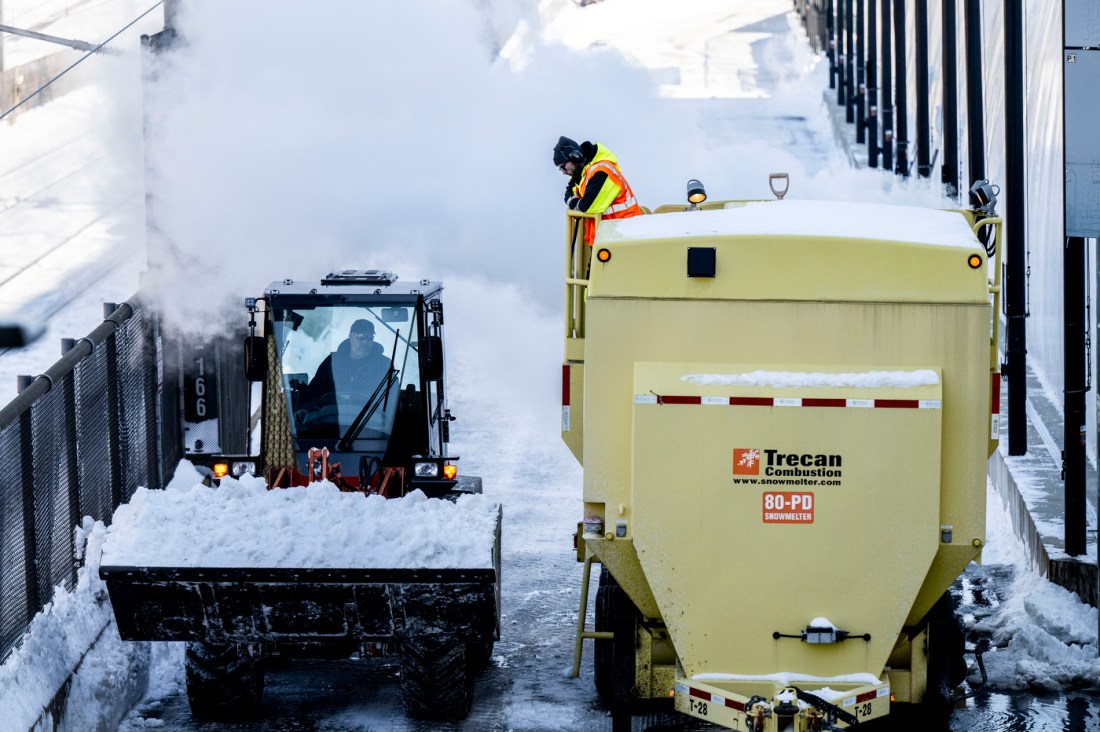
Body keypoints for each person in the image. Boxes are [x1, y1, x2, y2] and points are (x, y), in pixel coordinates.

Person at [554, 136, 642, 246]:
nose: (563, 172)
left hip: (623, 235)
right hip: (606, 236)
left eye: (563, 167)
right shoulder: (583, 173)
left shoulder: (601, 171)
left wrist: (575, 202)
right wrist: (575, 202)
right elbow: (568, 192)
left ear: (576, 157)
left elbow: (589, 206)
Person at [306, 319, 392, 408]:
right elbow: (313, 393)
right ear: (351, 336)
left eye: (370, 337)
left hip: (369, 419)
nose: (365, 342)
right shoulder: (332, 362)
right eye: (361, 336)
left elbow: (390, 400)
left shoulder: (383, 365)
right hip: (332, 417)